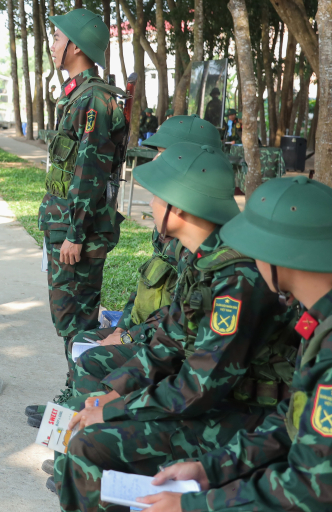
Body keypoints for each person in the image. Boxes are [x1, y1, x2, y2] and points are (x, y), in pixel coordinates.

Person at [50, 142, 300, 506]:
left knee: (91, 442)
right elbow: (165, 345)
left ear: (178, 207)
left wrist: (114, 411)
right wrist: (109, 396)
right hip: (217, 402)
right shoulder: (205, 261)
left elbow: (199, 386)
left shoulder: (237, 278)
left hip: (249, 416)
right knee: (87, 420)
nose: (150, 205)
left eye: (156, 197)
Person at [142, 176, 332, 512]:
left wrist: (197, 506)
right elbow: (293, 417)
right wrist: (209, 470)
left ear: (280, 256)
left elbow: (311, 489)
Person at [26, 115, 222, 431]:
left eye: (164, 155)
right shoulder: (171, 231)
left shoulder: (203, 244)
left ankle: (83, 431)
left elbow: (179, 320)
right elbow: (149, 286)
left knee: (93, 353)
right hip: (156, 335)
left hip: (172, 355)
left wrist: (128, 334)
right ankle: (73, 416)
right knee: (85, 340)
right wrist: (125, 324)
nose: (158, 162)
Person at [37, 8, 127, 356]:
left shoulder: (93, 100)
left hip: (78, 230)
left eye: (59, 38)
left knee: (76, 319)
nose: (54, 43)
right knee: (67, 317)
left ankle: (80, 397)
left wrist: (75, 233)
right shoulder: (78, 95)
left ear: (76, 47)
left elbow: (89, 171)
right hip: (64, 222)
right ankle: (76, 391)